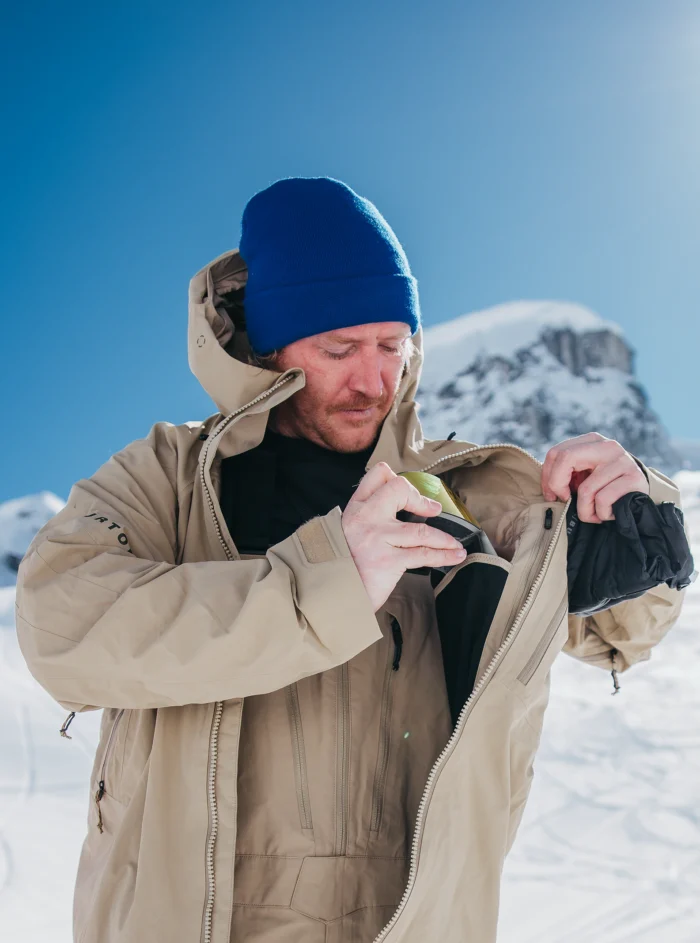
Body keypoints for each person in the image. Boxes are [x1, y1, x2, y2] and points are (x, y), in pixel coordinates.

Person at [15, 177, 689, 943]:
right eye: (339, 348)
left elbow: (620, 630)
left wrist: (639, 518)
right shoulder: (168, 475)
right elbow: (60, 621)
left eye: (392, 346)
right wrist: (327, 582)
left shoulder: (461, 489)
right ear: (270, 345)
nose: (373, 380)